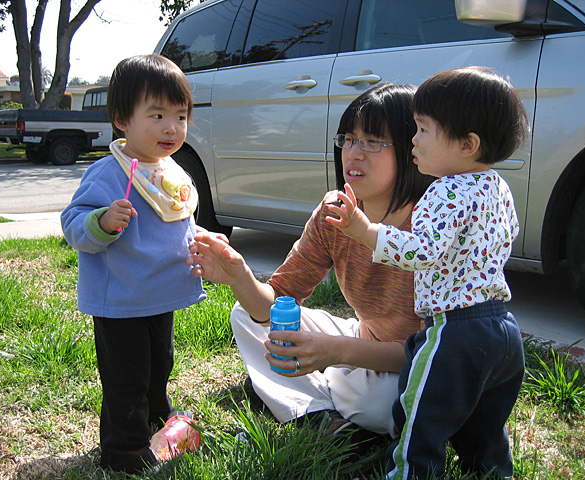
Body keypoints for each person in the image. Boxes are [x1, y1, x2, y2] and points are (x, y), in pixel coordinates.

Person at [187, 83, 434, 437]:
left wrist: (335, 353)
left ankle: (316, 389)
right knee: (246, 316)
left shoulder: (430, 227)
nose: (354, 154)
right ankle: (322, 413)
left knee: (385, 406)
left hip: (416, 362)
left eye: (373, 142)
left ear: (413, 149)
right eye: (348, 139)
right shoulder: (335, 212)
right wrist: (239, 276)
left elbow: (426, 349)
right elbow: (279, 299)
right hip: (363, 337)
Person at [326, 66, 529, 479]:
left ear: (468, 144)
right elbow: (509, 234)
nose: (413, 141)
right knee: (484, 429)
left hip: (455, 330)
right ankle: (491, 472)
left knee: (419, 421)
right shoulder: (497, 186)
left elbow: (422, 252)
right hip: (503, 328)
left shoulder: (444, 189)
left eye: (423, 130)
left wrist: (363, 230)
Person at [61, 54, 206, 474]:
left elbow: (182, 221)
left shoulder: (171, 172)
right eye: (157, 114)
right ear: (122, 118)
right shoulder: (108, 174)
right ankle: (124, 452)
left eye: (180, 116)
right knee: (127, 377)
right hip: (121, 298)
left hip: (160, 295)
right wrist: (102, 221)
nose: (171, 127)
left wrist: (201, 242)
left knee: (160, 364)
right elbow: (73, 225)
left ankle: (158, 423)